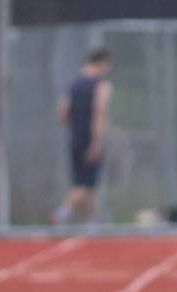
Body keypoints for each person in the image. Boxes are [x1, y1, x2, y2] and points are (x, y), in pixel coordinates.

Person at [52, 48, 113, 225]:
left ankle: (92, 222)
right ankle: (61, 213)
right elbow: (100, 113)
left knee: (90, 183)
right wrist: (96, 141)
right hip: (90, 138)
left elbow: (62, 112)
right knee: (82, 184)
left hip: (76, 137)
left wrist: (75, 126)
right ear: (101, 63)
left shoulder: (73, 85)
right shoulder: (101, 86)